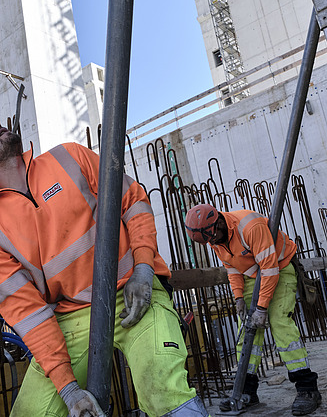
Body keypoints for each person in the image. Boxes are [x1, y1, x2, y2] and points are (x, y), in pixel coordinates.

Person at [0, 126, 210, 417]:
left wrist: (145, 268)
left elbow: (133, 201)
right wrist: (68, 389)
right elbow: (28, 313)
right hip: (72, 315)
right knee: (31, 412)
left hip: (132, 291)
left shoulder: (68, 157)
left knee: (162, 389)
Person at [185, 204, 322, 416]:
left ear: (219, 222)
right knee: (247, 329)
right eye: (208, 241)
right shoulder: (214, 236)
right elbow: (232, 267)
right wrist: (238, 298)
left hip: (280, 266)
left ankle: (307, 388)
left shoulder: (250, 226)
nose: (212, 243)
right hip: (253, 275)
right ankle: (247, 391)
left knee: (278, 322)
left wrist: (261, 308)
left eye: (213, 238)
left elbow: (270, 269)